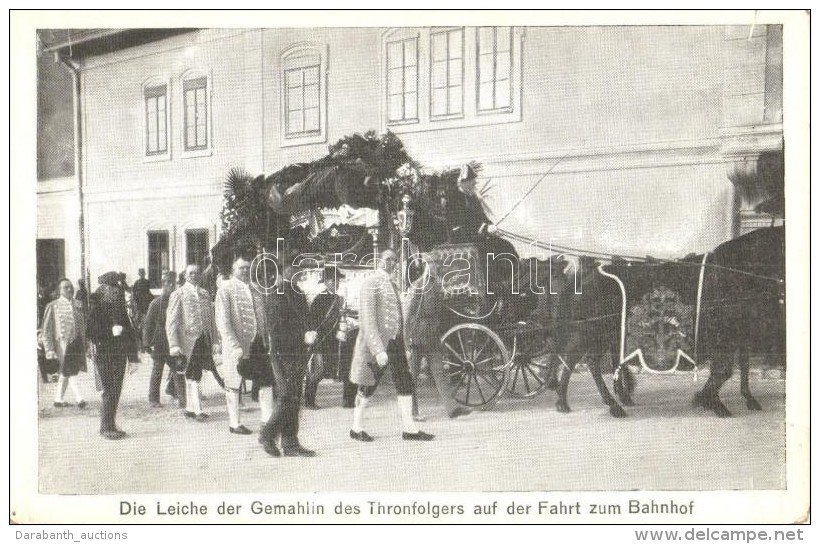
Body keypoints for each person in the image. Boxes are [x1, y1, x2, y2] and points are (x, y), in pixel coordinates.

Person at [349, 249, 434, 442]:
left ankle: (409, 429)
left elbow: (399, 318)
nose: (392, 263)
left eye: (395, 260)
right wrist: (378, 350)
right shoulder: (370, 283)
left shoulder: (393, 285)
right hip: (376, 344)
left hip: (394, 342)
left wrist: (404, 345)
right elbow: (368, 319)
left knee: (405, 382)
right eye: (388, 259)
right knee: (367, 385)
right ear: (378, 261)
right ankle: (356, 427)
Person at [256, 264, 316, 457]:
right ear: (284, 269)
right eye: (294, 266)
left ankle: (290, 443)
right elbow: (276, 329)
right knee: (286, 396)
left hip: (296, 353)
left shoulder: (295, 290)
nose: (299, 270)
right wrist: (303, 336)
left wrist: (310, 333)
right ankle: (267, 435)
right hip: (283, 354)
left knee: (294, 397)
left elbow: (304, 319)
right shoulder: (278, 292)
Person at [403, 260, 471, 419]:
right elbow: (407, 314)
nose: (435, 269)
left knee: (439, 373)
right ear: (426, 267)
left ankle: (452, 408)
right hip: (417, 334)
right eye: (432, 265)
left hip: (432, 335)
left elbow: (440, 308)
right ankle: (411, 412)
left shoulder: (435, 285)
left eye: (437, 266)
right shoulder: (417, 286)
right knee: (412, 375)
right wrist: (406, 340)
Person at [215, 256, 273, 436]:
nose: (246, 271)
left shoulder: (256, 289)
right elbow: (223, 323)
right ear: (233, 270)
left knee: (266, 381)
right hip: (237, 345)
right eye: (241, 268)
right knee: (233, 384)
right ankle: (235, 424)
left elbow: (263, 316)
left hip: (258, 343)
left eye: (248, 268)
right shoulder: (225, 290)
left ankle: (267, 421)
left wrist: (267, 339)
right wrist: (234, 346)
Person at [88, 271, 137, 439]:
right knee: (109, 390)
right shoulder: (97, 308)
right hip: (105, 354)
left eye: (117, 288)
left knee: (115, 391)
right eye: (113, 288)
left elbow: (130, 333)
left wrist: (134, 358)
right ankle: (106, 427)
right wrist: (110, 331)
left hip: (120, 355)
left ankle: (110, 424)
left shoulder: (120, 308)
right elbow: (91, 333)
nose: (117, 291)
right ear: (105, 288)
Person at [165, 264, 218, 422]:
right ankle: (197, 409)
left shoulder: (204, 294)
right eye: (191, 273)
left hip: (203, 339)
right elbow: (171, 322)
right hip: (187, 341)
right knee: (193, 374)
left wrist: (215, 340)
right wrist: (174, 344)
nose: (194, 276)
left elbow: (211, 320)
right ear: (185, 275)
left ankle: (189, 407)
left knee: (195, 374)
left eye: (196, 273)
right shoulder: (178, 294)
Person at [41, 278, 88, 409]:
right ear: (59, 290)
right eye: (66, 287)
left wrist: (86, 344)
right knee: (69, 370)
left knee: (66, 371)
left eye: (71, 287)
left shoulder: (79, 304)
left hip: (76, 342)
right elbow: (46, 331)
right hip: (61, 345)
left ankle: (58, 399)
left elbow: (83, 326)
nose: (70, 289)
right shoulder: (53, 305)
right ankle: (80, 398)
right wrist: (49, 349)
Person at [301, 268, 343, 409]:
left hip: (331, 340)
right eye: (333, 279)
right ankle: (309, 400)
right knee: (318, 371)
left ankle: (309, 399)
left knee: (323, 371)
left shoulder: (337, 298)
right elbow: (312, 320)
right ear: (326, 282)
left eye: (338, 279)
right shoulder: (320, 298)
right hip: (320, 340)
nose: (336, 282)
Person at [143, 271, 183, 408]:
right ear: (163, 284)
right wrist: (147, 344)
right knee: (157, 370)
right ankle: (153, 399)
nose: (170, 285)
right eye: (167, 282)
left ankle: (182, 398)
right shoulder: (155, 303)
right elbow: (148, 325)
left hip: (174, 341)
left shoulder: (179, 301)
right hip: (160, 341)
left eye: (172, 282)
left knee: (178, 369)